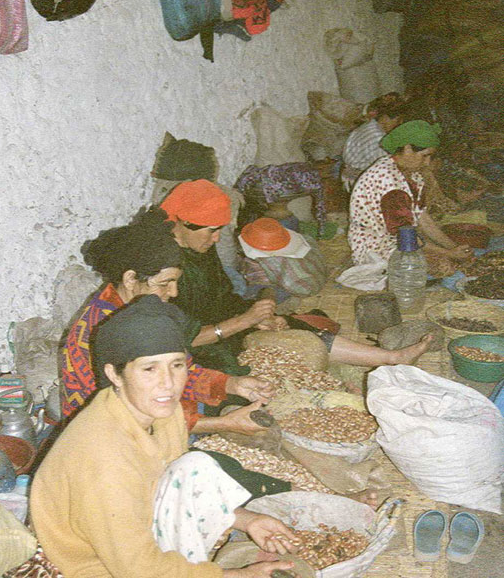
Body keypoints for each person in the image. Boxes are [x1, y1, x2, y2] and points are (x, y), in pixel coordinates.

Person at [31, 295, 298, 578]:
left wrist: (246, 520)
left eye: (177, 365)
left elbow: (167, 482)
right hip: (90, 567)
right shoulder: (104, 458)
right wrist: (235, 575)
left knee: (196, 466)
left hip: (131, 540)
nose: (168, 383)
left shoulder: (160, 410)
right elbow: (139, 570)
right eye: (149, 369)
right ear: (115, 374)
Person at [157, 180, 433, 371]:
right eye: (210, 231)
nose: (217, 239)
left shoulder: (198, 245)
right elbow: (179, 338)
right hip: (192, 345)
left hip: (221, 322)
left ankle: (392, 358)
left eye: (220, 230)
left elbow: (220, 297)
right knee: (247, 369)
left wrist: (258, 318)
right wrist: (244, 321)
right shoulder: (159, 268)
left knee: (290, 325)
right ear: (181, 222)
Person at [61, 208, 274, 436]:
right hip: (111, 436)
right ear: (130, 278)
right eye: (165, 283)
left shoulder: (145, 310)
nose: (172, 293)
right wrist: (223, 423)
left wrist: (231, 384)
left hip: (161, 410)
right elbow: (129, 417)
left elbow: (177, 370)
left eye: (175, 282)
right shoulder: (103, 332)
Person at [348, 120, 473, 275]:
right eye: (425, 156)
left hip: (397, 240)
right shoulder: (389, 182)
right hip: (377, 248)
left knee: (451, 259)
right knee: (445, 266)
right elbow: (405, 237)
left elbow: (421, 217)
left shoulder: (408, 172)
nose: (427, 162)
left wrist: (452, 246)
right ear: (407, 148)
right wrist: (448, 253)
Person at [341, 102, 404, 191]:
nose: (398, 125)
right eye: (397, 121)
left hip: (353, 176)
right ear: (385, 118)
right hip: (359, 183)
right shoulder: (378, 138)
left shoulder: (370, 125)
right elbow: (387, 166)